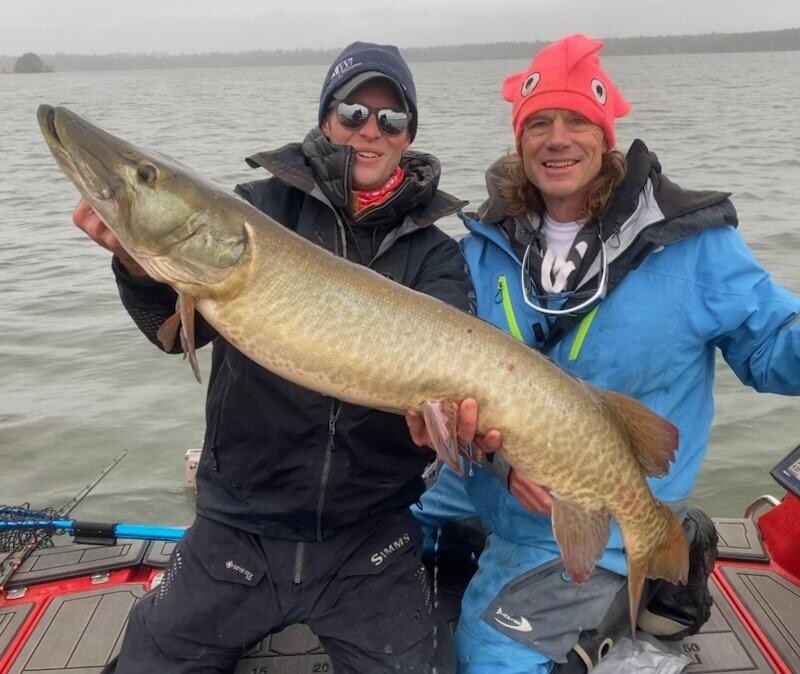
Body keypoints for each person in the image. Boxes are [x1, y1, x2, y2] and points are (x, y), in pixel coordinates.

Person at [407, 33, 800, 674]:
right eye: (538, 123)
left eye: (576, 121)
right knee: (369, 528)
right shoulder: (477, 248)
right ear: (519, 139)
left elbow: (773, 350)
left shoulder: (695, 246)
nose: (556, 139)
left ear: (605, 134)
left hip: (594, 503)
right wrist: (488, 455)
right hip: (481, 477)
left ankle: (656, 570)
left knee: (486, 660)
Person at [75, 41, 472, 674]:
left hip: (368, 538)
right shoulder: (256, 209)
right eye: (352, 112)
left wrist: (448, 426)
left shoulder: (435, 256)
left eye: (390, 119)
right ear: (325, 119)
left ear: (407, 136)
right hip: (240, 526)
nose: (370, 130)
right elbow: (174, 335)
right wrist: (135, 261)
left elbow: (451, 409)